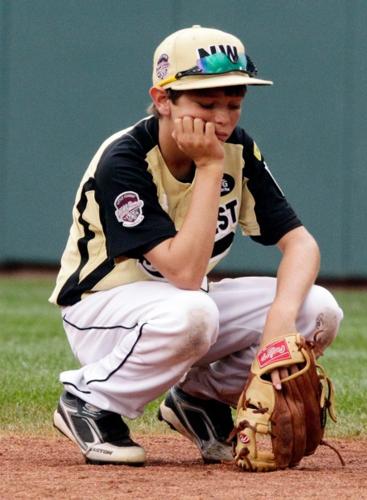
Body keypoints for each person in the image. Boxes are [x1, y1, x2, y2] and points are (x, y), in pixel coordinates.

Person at [49, 25, 343, 466]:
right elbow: (185, 273)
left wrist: (278, 325)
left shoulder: (237, 149)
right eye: (206, 103)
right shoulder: (125, 159)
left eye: (234, 104)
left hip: (178, 308)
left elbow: (301, 245)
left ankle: (196, 400)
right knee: (194, 309)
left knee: (318, 310)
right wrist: (208, 166)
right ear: (164, 100)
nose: (223, 119)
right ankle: (90, 401)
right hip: (101, 313)